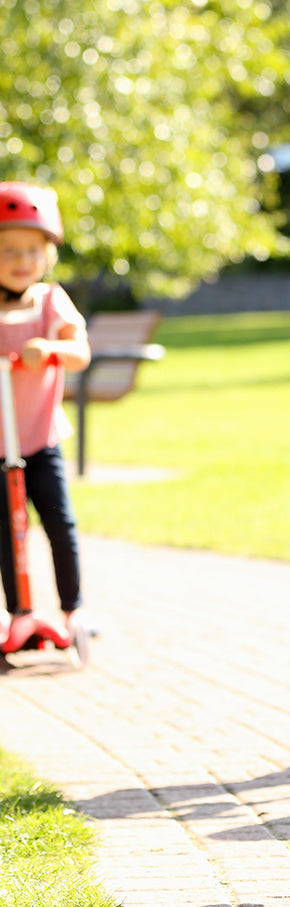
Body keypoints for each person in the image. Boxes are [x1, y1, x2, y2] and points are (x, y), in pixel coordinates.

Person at [0, 182, 90, 638]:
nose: (21, 261)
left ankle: (72, 610)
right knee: (6, 533)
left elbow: (81, 353)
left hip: (41, 438)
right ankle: (19, 614)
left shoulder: (50, 300)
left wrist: (50, 347)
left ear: (48, 255)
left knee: (59, 523)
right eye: (9, 250)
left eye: (32, 250)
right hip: (0, 447)